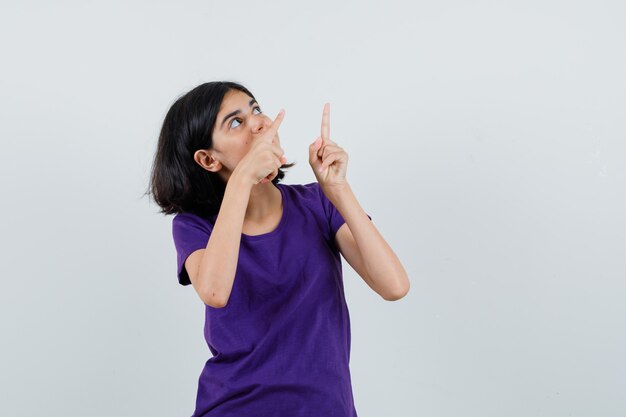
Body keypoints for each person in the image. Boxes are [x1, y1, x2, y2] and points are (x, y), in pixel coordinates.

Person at [147, 81, 409, 416]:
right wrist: (243, 178)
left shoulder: (318, 204)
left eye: (256, 109)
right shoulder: (195, 226)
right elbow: (214, 291)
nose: (259, 122)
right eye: (236, 121)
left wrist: (338, 189)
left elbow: (394, 286)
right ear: (208, 160)